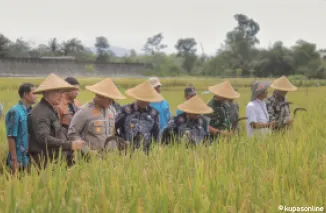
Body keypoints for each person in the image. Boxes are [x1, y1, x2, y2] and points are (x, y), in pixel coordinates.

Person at [27, 73, 85, 170]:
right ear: (48, 92)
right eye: (59, 92)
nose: (62, 95)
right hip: (44, 163)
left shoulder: (50, 109)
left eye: (62, 92)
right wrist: (70, 145)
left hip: (54, 161)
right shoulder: (41, 112)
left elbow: (57, 131)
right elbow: (44, 138)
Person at [68, 78, 126, 152]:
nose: (111, 102)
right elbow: (73, 134)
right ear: (100, 96)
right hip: (89, 159)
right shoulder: (84, 111)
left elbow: (113, 133)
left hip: (109, 158)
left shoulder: (112, 111)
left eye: (112, 99)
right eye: (109, 99)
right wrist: (87, 151)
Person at [115, 81, 162, 154]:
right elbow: (113, 128)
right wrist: (120, 142)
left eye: (147, 98)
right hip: (126, 153)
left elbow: (156, 135)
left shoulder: (154, 114)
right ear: (137, 97)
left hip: (146, 153)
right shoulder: (125, 111)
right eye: (142, 98)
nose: (145, 101)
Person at [5, 83, 37, 174]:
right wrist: (14, 160)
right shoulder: (15, 111)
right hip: (18, 158)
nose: (36, 96)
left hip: (29, 158)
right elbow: (11, 137)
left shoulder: (32, 111)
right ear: (25, 95)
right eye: (33, 93)